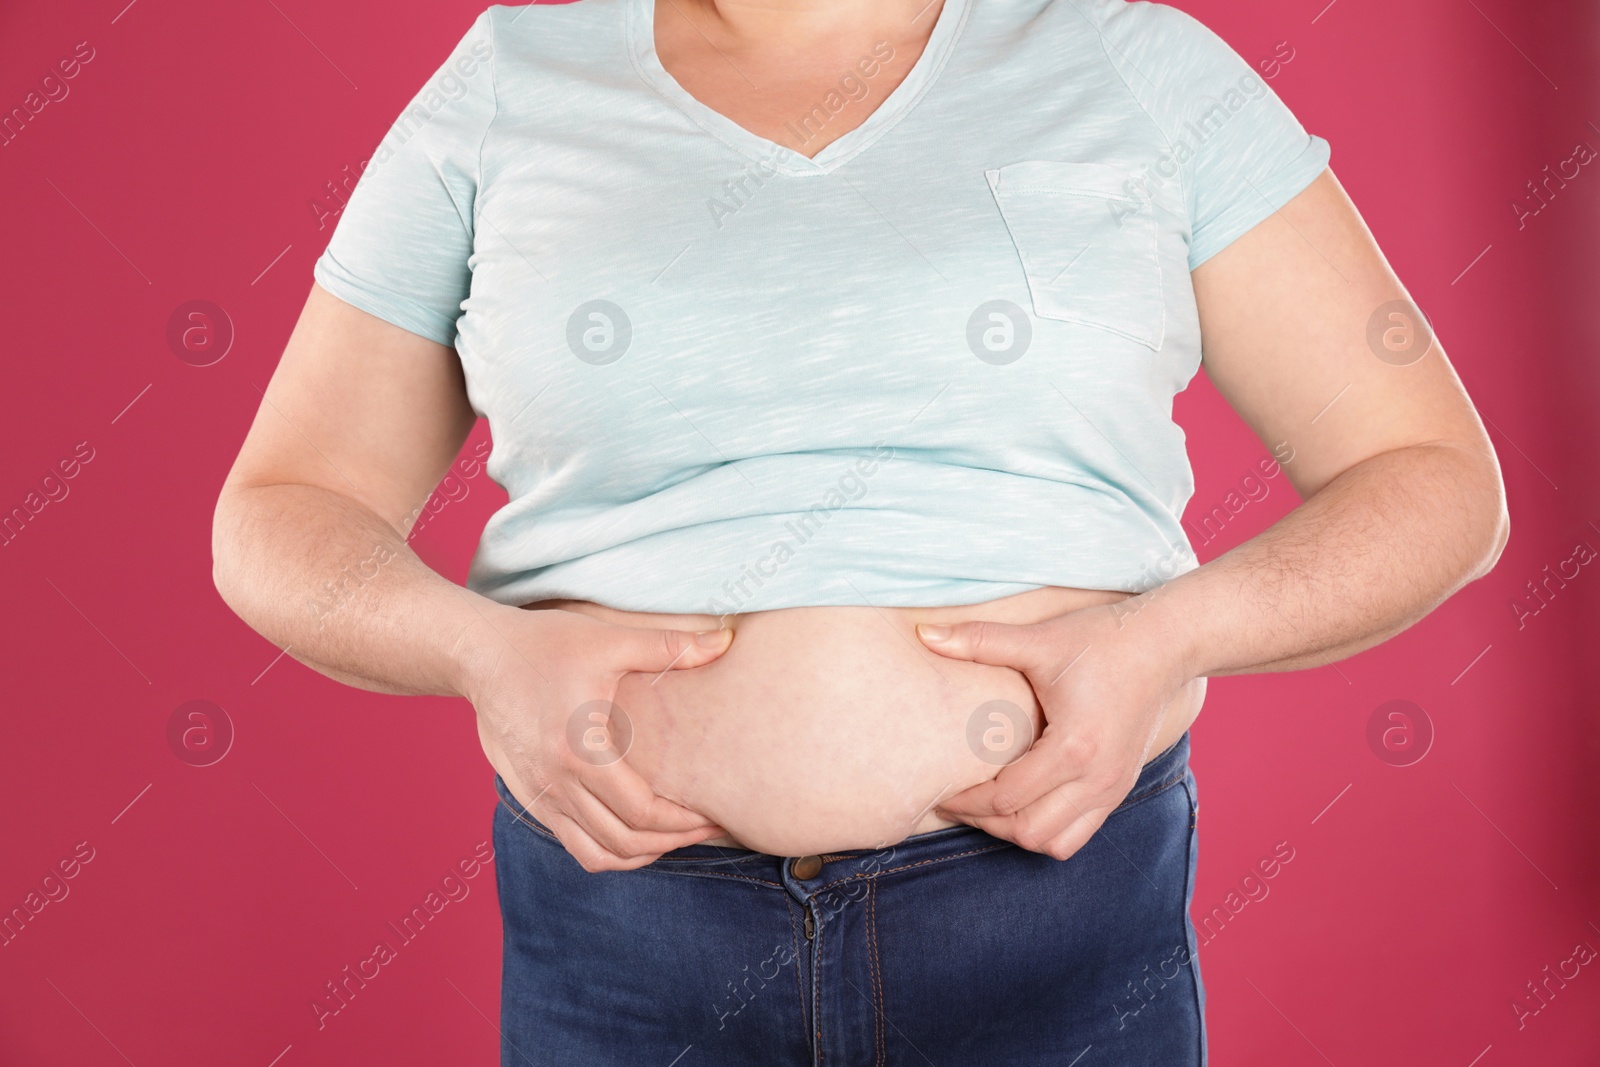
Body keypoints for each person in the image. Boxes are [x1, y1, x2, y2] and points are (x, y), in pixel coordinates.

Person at [211, 0, 1509, 1062]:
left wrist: (1172, 639)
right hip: (626, 944)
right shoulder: (512, 80)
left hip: (1051, 930)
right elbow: (282, 512)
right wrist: (478, 653)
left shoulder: (1130, 62)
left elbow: (1431, 479)